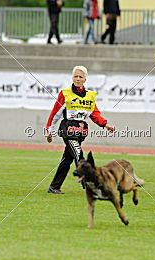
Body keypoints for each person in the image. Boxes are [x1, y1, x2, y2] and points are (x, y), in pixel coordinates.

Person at [46, 66, 115, 194]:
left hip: (81, 131)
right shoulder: (65, 94)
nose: (78, 79)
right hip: (68, 130)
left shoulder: (90, 96)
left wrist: (105, 125)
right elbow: (55, 113)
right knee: (80, 156)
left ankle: (54, 187)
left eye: (80, 77)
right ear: (72, 78)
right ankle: (91, 185)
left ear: (85, 79)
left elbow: (94, 114)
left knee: (67, 159)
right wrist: (49, 130)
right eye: (75, 76)